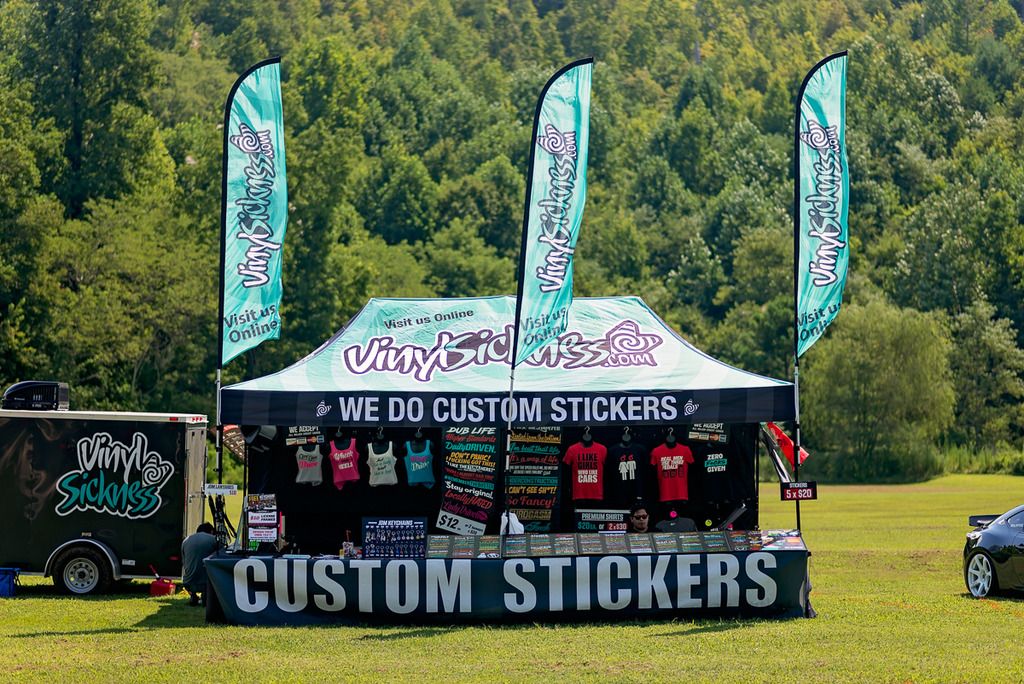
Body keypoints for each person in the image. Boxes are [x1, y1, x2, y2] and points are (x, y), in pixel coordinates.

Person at [181, 522, 220, 606]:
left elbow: (184, 562)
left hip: (188, 583)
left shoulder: (186, 540)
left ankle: (193, 595)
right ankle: (206, 595)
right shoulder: (213, 539)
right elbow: (219, 560)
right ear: (211, 531)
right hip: (206, 583)